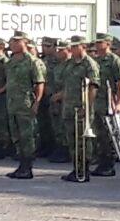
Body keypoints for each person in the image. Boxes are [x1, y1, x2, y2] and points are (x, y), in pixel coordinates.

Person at [4, 31, 46, 179]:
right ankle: (21, 165)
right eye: (12, 42)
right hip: (12, 104)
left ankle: (27, 167)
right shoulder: (10, 62)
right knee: (16, 135)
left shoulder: (32, 62)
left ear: (25, 42)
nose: (13, 44)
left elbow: (39, 83)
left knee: (27, 136)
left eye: (17, 41)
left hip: (26, 104)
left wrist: (37, 102)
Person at [58, 35, 100, 182]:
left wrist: (86, 106)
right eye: (72, 46)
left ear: (84, 47)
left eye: (76, 46)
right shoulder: (69, 64)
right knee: (72, 141)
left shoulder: (90, 64)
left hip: (82, 107)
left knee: (82, 141)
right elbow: (66, 84)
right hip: (69, 107)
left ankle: (84, 170)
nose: (73, 49)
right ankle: (76, 168)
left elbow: (93, 87)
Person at [91, 33, 120, 177]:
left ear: (108, 44)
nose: (98, 45)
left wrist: (119, 102)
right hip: (97, 102)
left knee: (109, 134)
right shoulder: (95, 60)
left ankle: (109, 165)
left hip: (109, 102)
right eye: (97, 43)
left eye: (101, 43)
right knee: (99, 135)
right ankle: (102, 163)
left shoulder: (114, 60)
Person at [47, 40, 71, 163]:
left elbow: (73, 84)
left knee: (65, 126)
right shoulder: (57, 65)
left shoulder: (71, 65)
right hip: (55, 99)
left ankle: (66, 150)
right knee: (57, 126)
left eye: (62, 50)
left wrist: (61, 95)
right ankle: (59, 147)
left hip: (67, 100)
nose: (59, 52)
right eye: (58, 50)